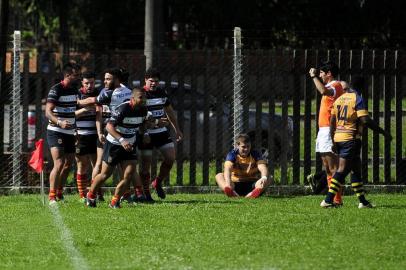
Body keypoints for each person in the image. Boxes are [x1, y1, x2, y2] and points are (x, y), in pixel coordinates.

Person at [320, 78, 392, 208]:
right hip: (350, 139)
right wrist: (382, 132)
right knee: (342, 170)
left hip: (339, 137)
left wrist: (333, 141)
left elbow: (332, 122)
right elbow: (365, 120)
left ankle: (363, 202)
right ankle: (328, 200)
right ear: (364, 88)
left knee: (356, 170)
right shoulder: (357, 98)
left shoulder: (339, 100)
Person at [86, 88, 149, 208]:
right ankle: (91, 194)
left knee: (129, 174)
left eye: (145, 97)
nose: (143, 100)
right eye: (141, 97)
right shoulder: (123, 108)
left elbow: (143, 124)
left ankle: (115, 201)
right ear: (133, 98)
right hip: (114, 144)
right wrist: (122, 140)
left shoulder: (143, 109)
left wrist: (145, 134)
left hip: (129, 145)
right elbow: (109, 127)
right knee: (105, 174)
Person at [138, 68, 183, 200]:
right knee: (145, 166)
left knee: (170, 158)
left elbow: (169, 111)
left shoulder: (161, 93)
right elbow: (140, 117)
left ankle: (157, 182)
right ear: (145, 80)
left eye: (156, 81)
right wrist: (155, 124)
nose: (153, 84)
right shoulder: (141, 94)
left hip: (161, 132)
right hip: (145, 134)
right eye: (151, 81)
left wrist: (177, 130)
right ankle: (146, 193)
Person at [45, 62, 81, 205]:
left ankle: (59, 192)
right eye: (76, 75)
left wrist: (75, 129)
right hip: (56, 131)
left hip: (70, 132)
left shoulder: (74, 90)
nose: (78, 77)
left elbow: (72, 111)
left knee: (68, 164)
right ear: (67, 75)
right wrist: (59, 122)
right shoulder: (56, 89)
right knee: (59, 163)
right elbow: (47, 112)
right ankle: (52, 196)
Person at [309, 61, 344, 205]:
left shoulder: (335, 85)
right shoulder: (330, 86)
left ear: (329, 73)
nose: (320, 76)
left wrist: (313, 77)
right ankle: (333, 199)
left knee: (333, 167)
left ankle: (336, 199)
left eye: (322, 73)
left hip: (330, 130)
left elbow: (323, 91)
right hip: (323, 130)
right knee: (327, 167)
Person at [215, 134, 271, 198]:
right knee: (219, 176)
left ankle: (252, 194)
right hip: (235, 184)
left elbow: (262, 167)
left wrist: (264, 177)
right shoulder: (232, 154)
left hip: (252, 184)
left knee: (269, 177)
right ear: (237, 145)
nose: (246, 149)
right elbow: (228, 169)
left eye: (248, 146)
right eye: (243, 147)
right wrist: (228, 183)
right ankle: (231, 192)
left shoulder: (255, 154)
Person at [75, 71, 100, 202]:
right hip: (81, 135)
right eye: (86, 83)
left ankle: (95, 192)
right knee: (82, 165)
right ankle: (82, 195)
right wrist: (84, 110)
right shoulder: (76, 94)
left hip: (96, 135)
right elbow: (70, 114)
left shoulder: (99, 93)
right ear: (82, 83)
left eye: (91, 83)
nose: (89, 86)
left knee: (97, 165)